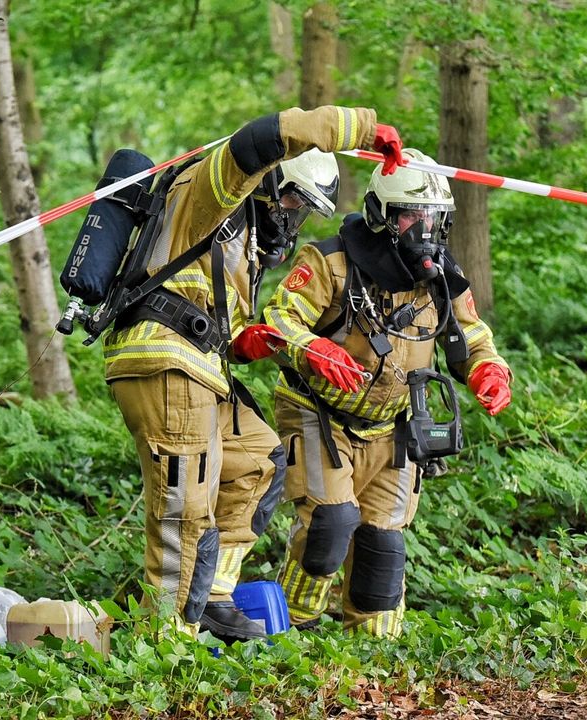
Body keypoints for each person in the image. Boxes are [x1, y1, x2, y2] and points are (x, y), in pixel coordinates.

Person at [103, 106, 407, 640]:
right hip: (168, 361)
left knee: (258, 461)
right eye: (292, 199)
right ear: (270, 180)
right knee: (185, 505)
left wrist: (258, 340)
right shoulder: (214, 188)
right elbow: (263, 138)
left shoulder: (240, 239)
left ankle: (212, 597)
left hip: (200, 365)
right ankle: (166, 644)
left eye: (305, 210)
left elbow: (229, 329)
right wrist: (358, 127)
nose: (293, 217)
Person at [264, 148, 511, 636]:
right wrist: (314, 349)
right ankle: (291, 632)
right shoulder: (330, 261)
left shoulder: (443, 276)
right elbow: (278, 320)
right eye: (411, 217)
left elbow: (472, 336)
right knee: (328, 527)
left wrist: (489, 370)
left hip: (395, 427)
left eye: (434, 219)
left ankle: (373, 648)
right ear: (382, 215)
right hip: (320, 414)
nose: (424, 230)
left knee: (383, 547)